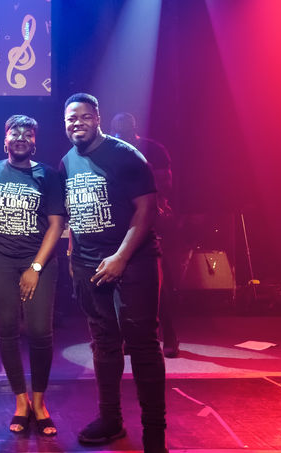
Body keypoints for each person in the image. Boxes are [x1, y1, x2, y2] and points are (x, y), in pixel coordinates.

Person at [59, 93, 168, 453]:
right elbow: (74, 215)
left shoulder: (125, 156)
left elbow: (147, 209)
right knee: (104, 343)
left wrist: (121, 256)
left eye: (83, 117)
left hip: (133, 263)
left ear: (97, 118)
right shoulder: (67, 162)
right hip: (89, 266)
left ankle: (154, 435)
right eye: (70, 118)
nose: (77, 123)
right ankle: (111, 419)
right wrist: (74, 258)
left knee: (142, 345)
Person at [0, 115, 65, 436]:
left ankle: (40, 403)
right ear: (5, 140)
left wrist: (36, 268)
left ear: (34, 142)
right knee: (6, 329)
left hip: (37, 260)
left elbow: (56, 225)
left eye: (27, 133)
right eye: (14, 132)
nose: (20, 137)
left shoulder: (48, 175)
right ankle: (20, 401)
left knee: (40, 331)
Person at [111, 112, 179, 357]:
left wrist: (155, 204)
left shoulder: (153, 149)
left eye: (125, 131)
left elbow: (165, 183)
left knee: (157, 280)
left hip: (149, 217)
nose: (122, 135)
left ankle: (169, 335)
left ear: (134, 129)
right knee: (119, 278)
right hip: (121, 219)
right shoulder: (112, 152)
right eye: (118, 132)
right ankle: (127, 336)